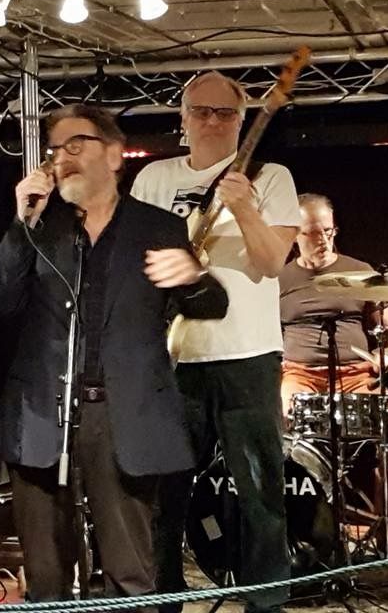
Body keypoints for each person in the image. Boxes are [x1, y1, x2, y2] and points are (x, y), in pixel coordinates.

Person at [0, 104, 228, 602]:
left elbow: (212, 306)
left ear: (115, 155)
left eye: (77, 145)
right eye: (56, 149)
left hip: (123, 416)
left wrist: (194, 276)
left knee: (129, 575)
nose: (62, 157)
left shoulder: (158, 227)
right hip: (42, 415)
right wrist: (20, 222)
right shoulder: (39, 226)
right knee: (46, 581)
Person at [131, 71, 300, 613]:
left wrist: (245, 207)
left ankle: (266, 602)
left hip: (247, 355)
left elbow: (271, 262)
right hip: (174, 358)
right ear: (182, 118)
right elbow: (134, 263)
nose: (212, 121)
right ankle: (163, 599)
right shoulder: (153, 178)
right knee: (165, 494)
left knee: (260, 493)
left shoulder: (271, 177)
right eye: (201, 111)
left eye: (225, 113)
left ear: (242, 120)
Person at [280, 192, 388, 539]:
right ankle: (298, 523)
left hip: (355, 373)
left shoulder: (361, 273)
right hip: (298, 373)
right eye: (312, 233)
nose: (322, 240)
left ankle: (387, 522)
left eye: (328, 231)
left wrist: (384, 356)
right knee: (277, 422)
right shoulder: (277, 279)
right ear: (293, 234)